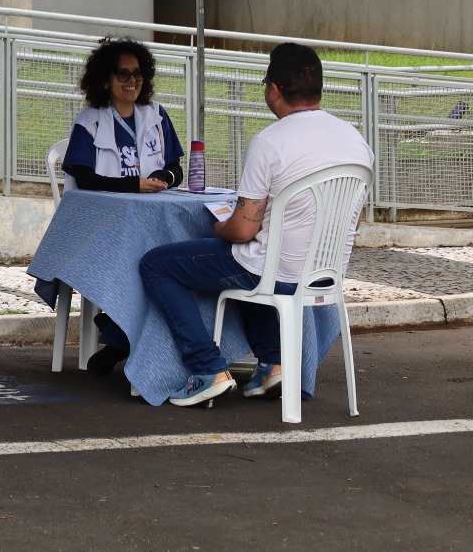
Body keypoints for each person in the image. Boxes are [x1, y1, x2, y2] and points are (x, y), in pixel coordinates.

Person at [138, 43, 374, 407]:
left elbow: (243, 230)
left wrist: (220, 228)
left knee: (156, 265)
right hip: (324, 274)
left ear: (274, 90)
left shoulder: (270, 142)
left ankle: (207, 369)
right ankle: (273, 364)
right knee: (253, 255)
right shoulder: (356, 141)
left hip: (272, 272)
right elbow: (353, 219)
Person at [61, 37, 185, 374]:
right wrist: (133, 185)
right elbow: (84, 178)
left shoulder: (156, 115)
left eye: (138, 73)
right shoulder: (90, 121)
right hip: (101, 227)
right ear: (105, 79)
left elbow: (176, 168)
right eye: (123, 74)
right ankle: (121, 336)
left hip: (148, 221)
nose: (133, 81)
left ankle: (117, 335)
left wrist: (163, 177)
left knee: (169, 258)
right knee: (148, 261)